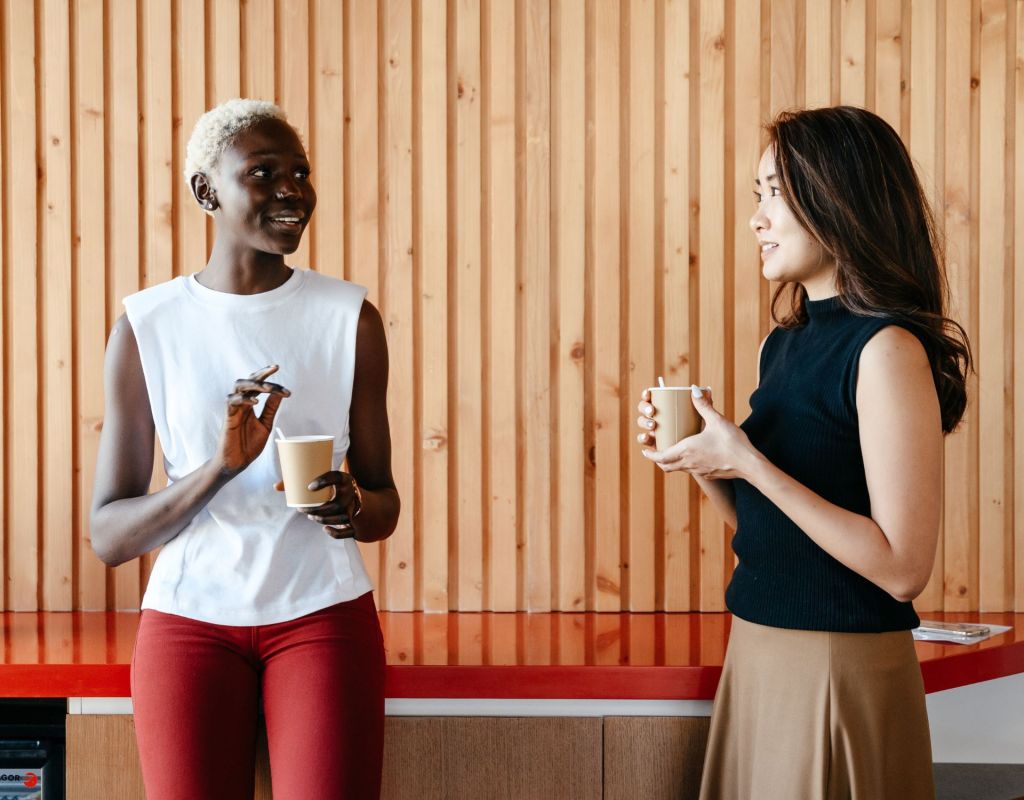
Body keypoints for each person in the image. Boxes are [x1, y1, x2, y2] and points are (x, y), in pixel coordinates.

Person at [637, 106, 971, 799]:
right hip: (758, 650)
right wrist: (709, 460)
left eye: (777, 195)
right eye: (756, 195)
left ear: (839, 201)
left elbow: (903, 568)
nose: (758, 218)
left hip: (837, 669)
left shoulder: (885, 350)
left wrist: (751, 461)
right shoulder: (781, 343)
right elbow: (778, 532)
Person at [90, 98, 399, 800]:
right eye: (264, 172)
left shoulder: (349, 319)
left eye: (300, 172)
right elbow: (108, 536)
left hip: (323, 616)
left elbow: (386, 504)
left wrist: (354, 506)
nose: (293, 190)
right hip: (188, 624)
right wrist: (220, 468)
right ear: (207, 191)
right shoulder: (148, 327)